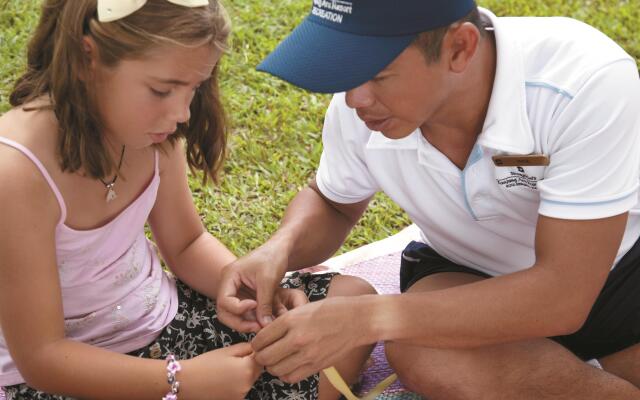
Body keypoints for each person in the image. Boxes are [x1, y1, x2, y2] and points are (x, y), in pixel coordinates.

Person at [216, 0, 640, 398]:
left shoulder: (584, 80)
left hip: (618, 272)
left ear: (460, 47)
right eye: (347, 68)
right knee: (419, 351)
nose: (353, 99)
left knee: (417, 334)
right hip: (466, 271)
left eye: (377, 74)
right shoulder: (361, 107)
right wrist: (280, 248)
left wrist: (366, 319)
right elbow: (332, 203)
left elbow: (562, 295)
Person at [0, 0, 375, 399]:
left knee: (349, 307)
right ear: (86, 58)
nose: (182, 113)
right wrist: (183, 381)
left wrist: (252, 296)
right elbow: (43, 357)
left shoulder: (151, 131)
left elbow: (186, 244)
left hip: (165, 325)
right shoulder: (16, 175)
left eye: (194, 88)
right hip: (72, 373)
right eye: (162, 90)